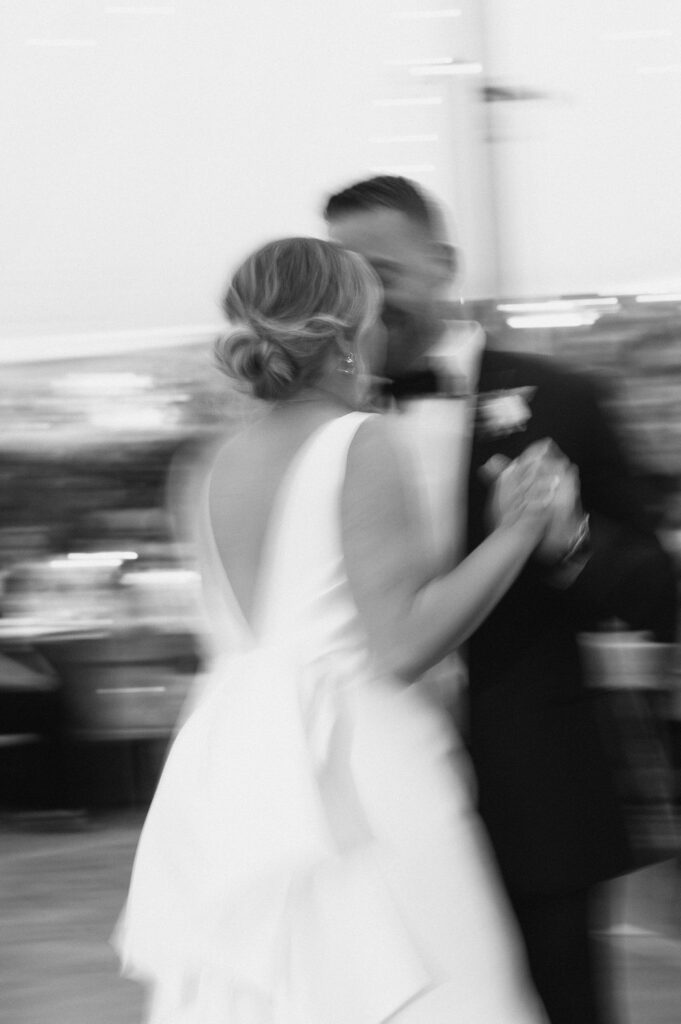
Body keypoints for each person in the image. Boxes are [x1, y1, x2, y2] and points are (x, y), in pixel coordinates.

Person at [114, 236, 561, 1023]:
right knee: (438, 987)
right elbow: (400, 645)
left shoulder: (209, 462)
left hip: (236, 772)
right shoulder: (360, 441)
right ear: (351, 330)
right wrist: (516, 533)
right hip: (359, 770)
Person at [324, 176, 678, 1024]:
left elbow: (660, 598)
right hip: (373, 803)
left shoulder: (561, 400)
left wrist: (570, 539)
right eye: (344, 277)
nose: (363, 300)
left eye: (380, 271)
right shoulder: (320, 424)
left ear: (442, 264)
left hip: (531, 794)